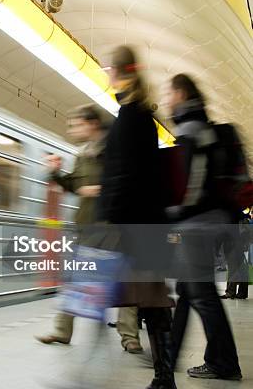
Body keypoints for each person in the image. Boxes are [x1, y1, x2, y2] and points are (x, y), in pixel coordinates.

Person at [34, 106, 143, 354]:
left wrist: (100, 190)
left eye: (77, 124)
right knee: (73, 279)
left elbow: (127, 183)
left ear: (92, 124)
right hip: (86, 227)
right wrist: (55, 173)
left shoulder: (115, 151)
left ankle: (129, 336)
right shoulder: (82, 154)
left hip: (114, 227)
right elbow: (75, 185)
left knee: (125, 282)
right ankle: (62, 331)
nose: (73, 130)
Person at [98, 46, 176, 389]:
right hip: (146, 223)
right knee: (149, 300)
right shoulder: (137, 114)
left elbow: (124, 175)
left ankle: (164, 377)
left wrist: (111, 220)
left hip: (138, 225)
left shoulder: (131, 116)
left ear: (119, 72)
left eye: (108, 69)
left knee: (151, 301)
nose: (107, 75)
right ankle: (163, 374)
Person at [165, 73, 242, 381]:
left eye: (169, 93)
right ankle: (167, 361)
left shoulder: (190, 129)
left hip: (197, 225)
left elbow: (190, 187)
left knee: (201, 295)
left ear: (181, 93)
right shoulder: (205, 127)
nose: (167, 98)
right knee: (188, 291)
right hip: (212, 222)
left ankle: (224, 363)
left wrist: (172, 213)